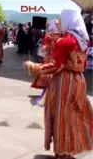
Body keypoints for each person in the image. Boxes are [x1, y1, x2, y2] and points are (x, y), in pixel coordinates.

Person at [25, 9, 93, 159]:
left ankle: (62, 152)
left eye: (62, 20)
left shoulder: (65, 41)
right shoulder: (83, 40)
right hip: (79, 81)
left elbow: (56, 65)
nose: (60, 23)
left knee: (60, 116)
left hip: (64, 82)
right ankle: (69, 150)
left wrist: (34, 67)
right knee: (73, 117)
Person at [31, 19, 61, 106]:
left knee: (47, 73)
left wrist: (45, 48)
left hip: (49, 57)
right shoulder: (62, 35)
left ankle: (46, 93)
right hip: (58, 57)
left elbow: (44, 48)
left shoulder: (49, 35)